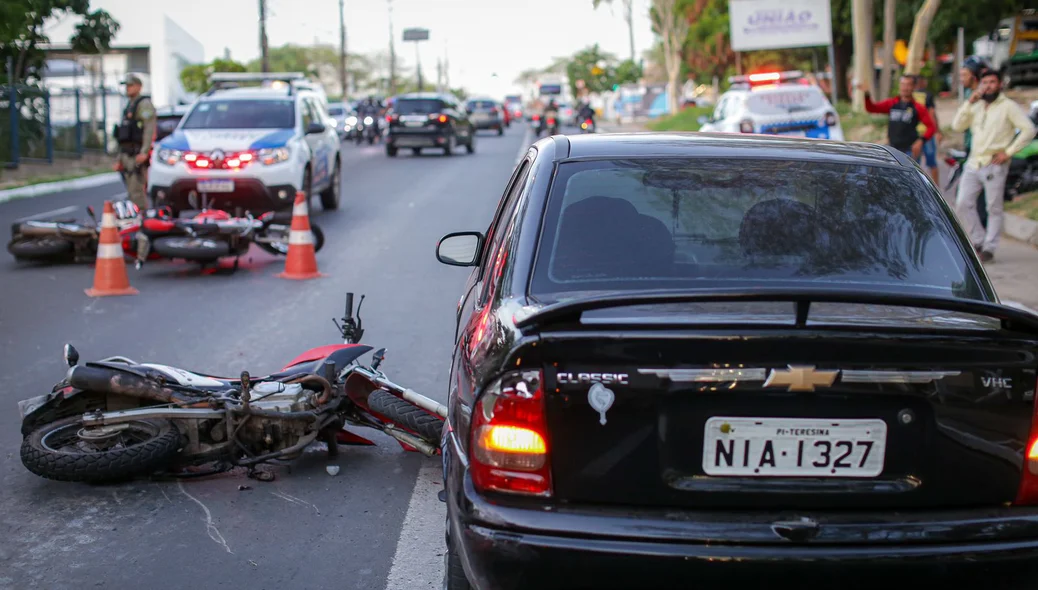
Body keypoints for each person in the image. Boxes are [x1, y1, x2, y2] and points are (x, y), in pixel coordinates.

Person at [952, 68, 1036, 262]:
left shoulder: (1008, 106)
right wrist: (969, 103)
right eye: (985, 83)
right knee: (963, 203)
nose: (988, 86)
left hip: (994, 163)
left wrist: (1008, 152)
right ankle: (978, 240)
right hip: (974, 162)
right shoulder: (977, 104)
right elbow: (957, 126)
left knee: (993, 207)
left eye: (992, 82)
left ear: (999, 84)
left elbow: (1028, 129)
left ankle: (989, 247)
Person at [860, 75, 937, 162]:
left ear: (914, 87)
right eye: (903, 84)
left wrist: (920, 142)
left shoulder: (918, 107)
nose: (905, 88)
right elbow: (871, 108)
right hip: (892, 149)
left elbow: (931, 128)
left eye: (908, 85)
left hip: (909, 150)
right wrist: (866, 94)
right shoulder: (892, 103)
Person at [113, 74, 156, 210]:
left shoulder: (144, 104)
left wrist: (144, 152)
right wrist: (119, 158)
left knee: (136, 191)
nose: (128, 88)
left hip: (136, 153)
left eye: (130, 85)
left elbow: (149, 129)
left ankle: (142, 220)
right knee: (131, 191)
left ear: (139, 86)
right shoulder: (129, 106)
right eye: (126, 86)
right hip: (127, 153)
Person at [912, 75, 941, 184]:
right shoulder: (927, 95)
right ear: (922, 82)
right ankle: (937, 188)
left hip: (914, 133)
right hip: (927, 133)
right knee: (932, 162)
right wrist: (937, 131)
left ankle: (914, 187)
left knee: (913, 164)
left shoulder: (910, 96)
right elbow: (932, 113)